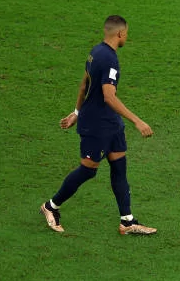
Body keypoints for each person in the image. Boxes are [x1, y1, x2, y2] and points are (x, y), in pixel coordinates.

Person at [40, 15, 157, 235]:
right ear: (120, 33)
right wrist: (137, 121)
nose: (127, 37)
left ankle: (127, 221)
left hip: (111, 123)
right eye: (127, 33)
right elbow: (109, 96)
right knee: (88, 170)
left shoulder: (96, 52)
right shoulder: (110, 60)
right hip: (96, 125)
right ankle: (51, 206)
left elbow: (84, 85)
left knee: (119, 167)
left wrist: (76, 112)